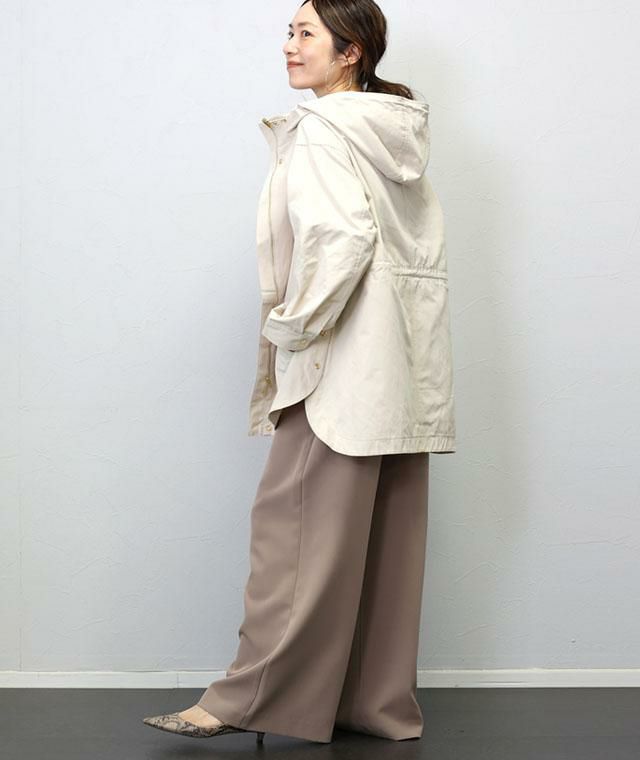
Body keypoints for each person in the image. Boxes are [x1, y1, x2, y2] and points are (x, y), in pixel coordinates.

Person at [143, 0, 455, 744]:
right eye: (289, 31)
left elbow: (341, 242)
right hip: (402, 374)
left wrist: (293, 326)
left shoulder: (322, 130)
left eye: (306, 33)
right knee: (385, 549)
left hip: (337, 370)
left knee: (292, 539)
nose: (288, 45)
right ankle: (373, 704)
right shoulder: (392, 132)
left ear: (351, 52)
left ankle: (242, 701)